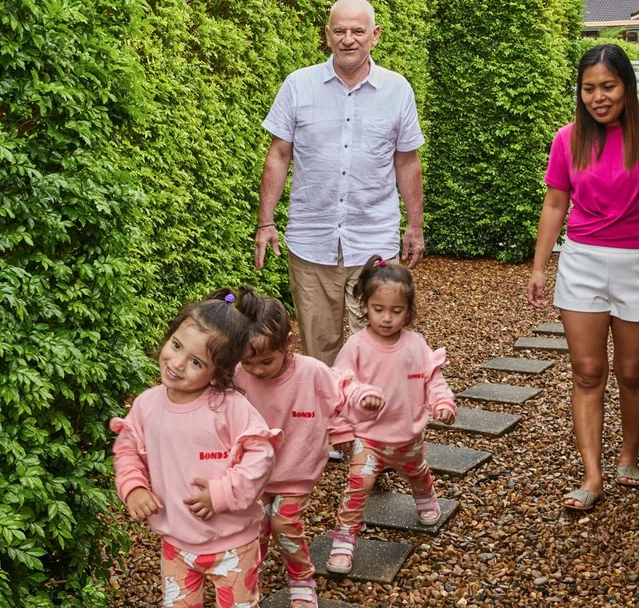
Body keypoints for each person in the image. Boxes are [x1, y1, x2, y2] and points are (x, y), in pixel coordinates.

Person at [525, 44, 639, 512]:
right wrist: (540, 267)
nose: (598, 97)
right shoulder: (568, 139)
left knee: (631, 373)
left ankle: (629, 456)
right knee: (587, 371)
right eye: (588, 89)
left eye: (608, 86)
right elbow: (555, 205)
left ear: (627, 86)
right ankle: (592, 476)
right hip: (582, 263)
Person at [254, 0, 427, 366]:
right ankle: (330, 424)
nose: (348, 38)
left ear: (375, 35)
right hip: (311, 242)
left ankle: (374, 420)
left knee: (380, 349)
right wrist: (265, 222)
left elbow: (407, 162)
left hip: (374, 242)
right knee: (320, 354)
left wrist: (415, 227)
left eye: (358, 31)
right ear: (328, 36)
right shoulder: (298, 85)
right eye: (340, 31)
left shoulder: (398, 90)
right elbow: (278, 154)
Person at [110, 291, 281, 608]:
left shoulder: (230, 408)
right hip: (176, 545)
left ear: (219, 372)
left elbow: (261, 455)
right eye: (176, 345)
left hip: (234, 546)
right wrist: (132, 487)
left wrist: (222, 493)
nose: (176, 363)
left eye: (196, 361)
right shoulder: (147, 406)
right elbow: (127, 449)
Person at [233, 286, 384, 607]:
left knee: (283, 522)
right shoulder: (239, 375)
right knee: (253, 527)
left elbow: (343, 387)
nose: (257, 370)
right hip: (252, 472)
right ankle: (248, 578)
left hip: (295, 469)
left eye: (266, 361)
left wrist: (363, 399)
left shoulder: (311, 372)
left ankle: (302, 579)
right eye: (250, 364)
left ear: (288, 343)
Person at [325, 256, 457, 574]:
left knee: (416, 471)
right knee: (358, 486)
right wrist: (360, 398)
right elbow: (339, 383)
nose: (386, 318)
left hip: (407, 436)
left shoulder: (416, 345)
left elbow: (433, 379)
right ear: (364, 306)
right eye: (378, 309)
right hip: (367, 438)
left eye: (396, 311)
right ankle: (343, 540)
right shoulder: (356, 346)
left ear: (408, 311)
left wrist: (443, 403)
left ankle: (425, 494)